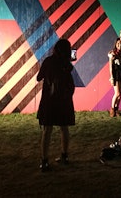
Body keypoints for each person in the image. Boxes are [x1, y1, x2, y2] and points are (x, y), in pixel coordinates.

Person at [36, 39, 76, 172]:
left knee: (47, 130)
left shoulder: (48, 61)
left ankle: (44, 161)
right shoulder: (66, 64)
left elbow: (38, 77)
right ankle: (64, 156)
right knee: (64, 128)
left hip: (49, 101)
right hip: (64, 101)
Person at [108, 38, 121, 117]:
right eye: (118, 43)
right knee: (117, 93)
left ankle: (116, 109)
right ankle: (112, 109)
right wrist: (112, 77)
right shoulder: (113, 53)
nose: (119, 45)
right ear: (115, 44)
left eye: (120, 44)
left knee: (120, 94)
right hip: (116, 75)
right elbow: (110, 67)